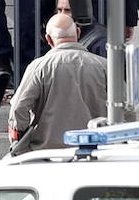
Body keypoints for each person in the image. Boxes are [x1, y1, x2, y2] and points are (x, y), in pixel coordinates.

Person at [8, 13, 109, 154]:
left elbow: (19, 108)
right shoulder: (104, 66)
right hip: (96, 151)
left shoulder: (38, 67)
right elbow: (126, 108)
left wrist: (19, 143)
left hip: (48, 153)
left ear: (48, 39)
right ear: (78, 33)